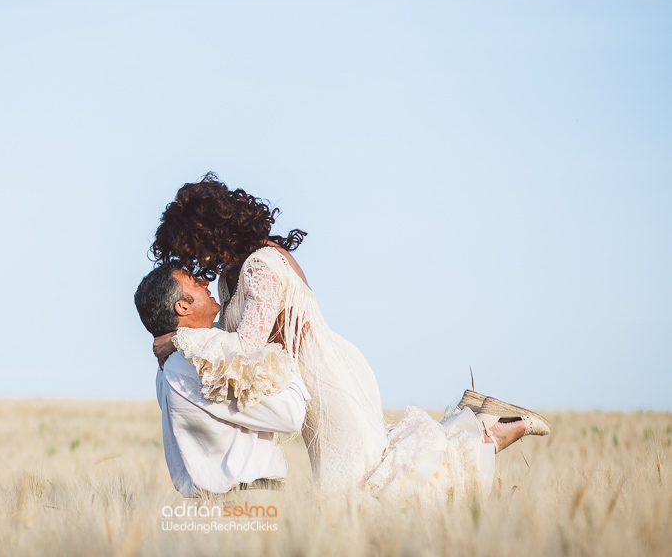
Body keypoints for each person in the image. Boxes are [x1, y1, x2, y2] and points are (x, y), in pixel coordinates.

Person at [150, 173, 551, 506]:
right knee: (361, 483)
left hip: (325, 377)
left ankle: (482, 429)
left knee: (363, 490)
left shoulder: (260, 266)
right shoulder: (228, 278)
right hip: (304, 383)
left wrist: (181, 341)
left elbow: (247, 350)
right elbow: (228, 355)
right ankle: (471, 422)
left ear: (207, 233)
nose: (194, 264)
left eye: (191, 251)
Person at [134, 261, 311, 498]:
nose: (205, 281)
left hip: (225, 503)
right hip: (244, 502)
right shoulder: (198, 364)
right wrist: (286, 353)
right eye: (194, 281)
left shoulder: (183, 357)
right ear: (183, 307)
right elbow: (290, 415)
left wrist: (178, 338)